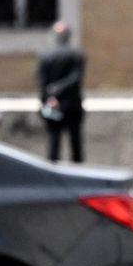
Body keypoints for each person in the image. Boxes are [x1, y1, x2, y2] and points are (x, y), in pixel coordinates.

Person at [36, 20, 86, 163]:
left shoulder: (45, 55)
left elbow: (41, 82)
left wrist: (50, 97)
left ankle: (53, 174)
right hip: (71, 104)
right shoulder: (76, 54)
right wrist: (58, 91)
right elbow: (76, 78)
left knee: (54, 141)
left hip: (53, 104)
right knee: (75, 143)